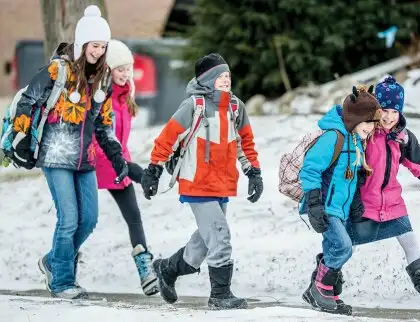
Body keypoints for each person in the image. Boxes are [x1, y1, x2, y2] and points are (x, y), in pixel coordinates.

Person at [9, 5, 128, 299]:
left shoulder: (102, 80)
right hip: (55, 155)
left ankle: (52, 260)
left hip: (85, 159)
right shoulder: (57, 70)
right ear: (82, 44)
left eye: (103, 46)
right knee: (69, 219)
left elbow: (104, 124)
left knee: (89, 219)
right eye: (94, 45)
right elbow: (28, 100)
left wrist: (116, 156)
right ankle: (63, 281)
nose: (98, 51)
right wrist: (21, 136)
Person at [140, 53, 263, 310]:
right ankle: (220, 295)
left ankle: (168, 269)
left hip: (223, 184)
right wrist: (153, 169)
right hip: (197, 183)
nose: (226, 80)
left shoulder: (235, 108)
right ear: (207, 80)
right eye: (220, 76)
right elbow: (167, 138)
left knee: (204, 244)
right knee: (220, 236)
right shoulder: (193, 106)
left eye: (228, 76)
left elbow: (245, 144)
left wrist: (254, 173)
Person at [348, 75, 420, 313]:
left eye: (394, 111)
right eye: (384, 110)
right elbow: (352, 167)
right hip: (363, 202)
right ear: (376, 109)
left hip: (392, 202)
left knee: (411, 243)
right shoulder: (366, 133)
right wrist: (353, 199)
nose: (389, 116)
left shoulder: (402, 137)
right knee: (345, 246)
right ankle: (323, 284)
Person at [300, 86, 381, 314]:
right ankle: (320, 288)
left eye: (374, 124)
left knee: (333, 248)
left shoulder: (356, 141)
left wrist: (355, 203)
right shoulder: (333, 138)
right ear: (355, 119)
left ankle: (328, 295)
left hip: (341, 208)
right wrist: (314, 205)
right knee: (344, 248)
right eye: (368, 122)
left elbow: (351, 176)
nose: (371, 128)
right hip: (326, 206)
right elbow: (310, 170)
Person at [92, 39, 158, 296]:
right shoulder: (101, 96)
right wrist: (130, 169)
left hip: (119, 160)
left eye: (128, 68)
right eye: (120, 68)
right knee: (85, 219)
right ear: (107, 69)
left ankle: (146, 271)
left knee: (134, 217)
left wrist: (132, 167)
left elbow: (121, 139)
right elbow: (100, 137)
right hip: (97, 162)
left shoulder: (125, 94)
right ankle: (60, 262)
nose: (126, 73)